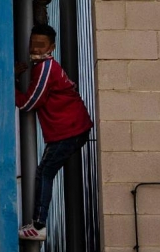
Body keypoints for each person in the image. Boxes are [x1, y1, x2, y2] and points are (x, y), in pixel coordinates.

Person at [15, 24, 93, 241]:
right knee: (46, 171)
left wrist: (10, 83)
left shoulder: (45, 68)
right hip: (72, 128)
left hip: (69, 130)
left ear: (52, 47)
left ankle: (38, 225)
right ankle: (38, 224)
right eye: (33, 43)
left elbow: (29, 103)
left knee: (44, 172)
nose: (36, 48)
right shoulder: (44, 67)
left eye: (41, 45)